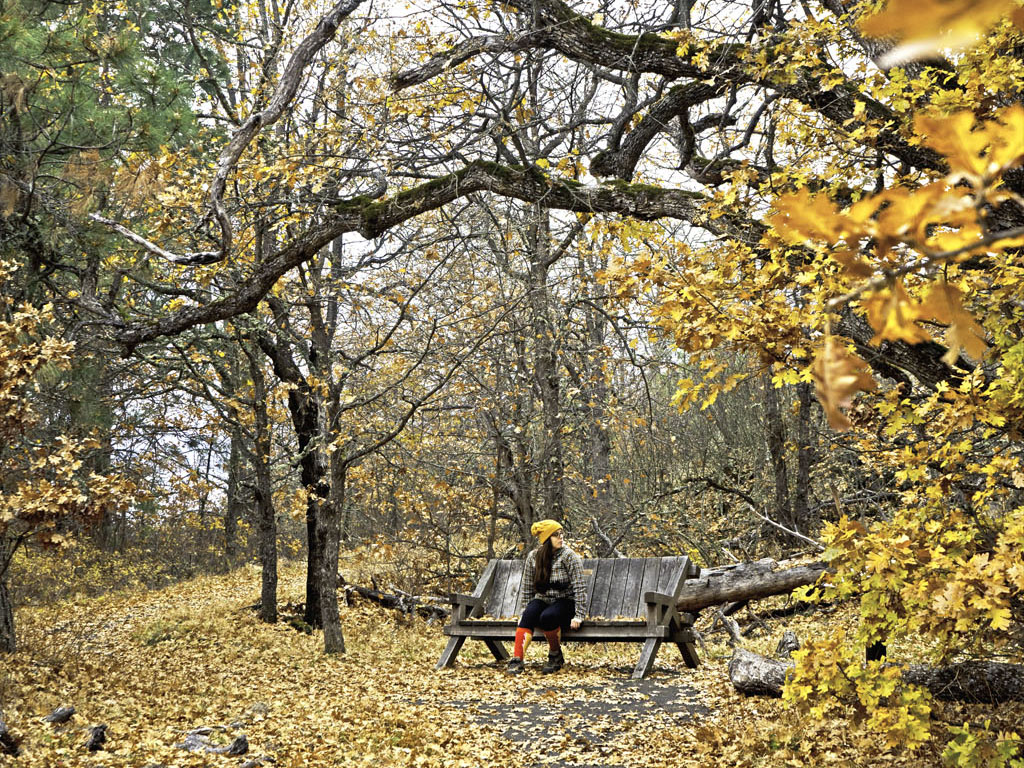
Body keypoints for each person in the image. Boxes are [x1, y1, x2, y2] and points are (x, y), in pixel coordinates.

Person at [506, 519, 587, 675]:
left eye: (561, 534)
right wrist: (524, 611)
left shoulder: (569, 557)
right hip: (543, 599)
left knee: (547, 617)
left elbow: (580, 587)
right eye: (556, 535)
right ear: (546, 539)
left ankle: (555, 655)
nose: (561, 537)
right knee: (527, 616)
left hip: (565, 600)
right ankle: (517, 660)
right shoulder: (534, 557)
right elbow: (528, 588)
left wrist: (579, 615)